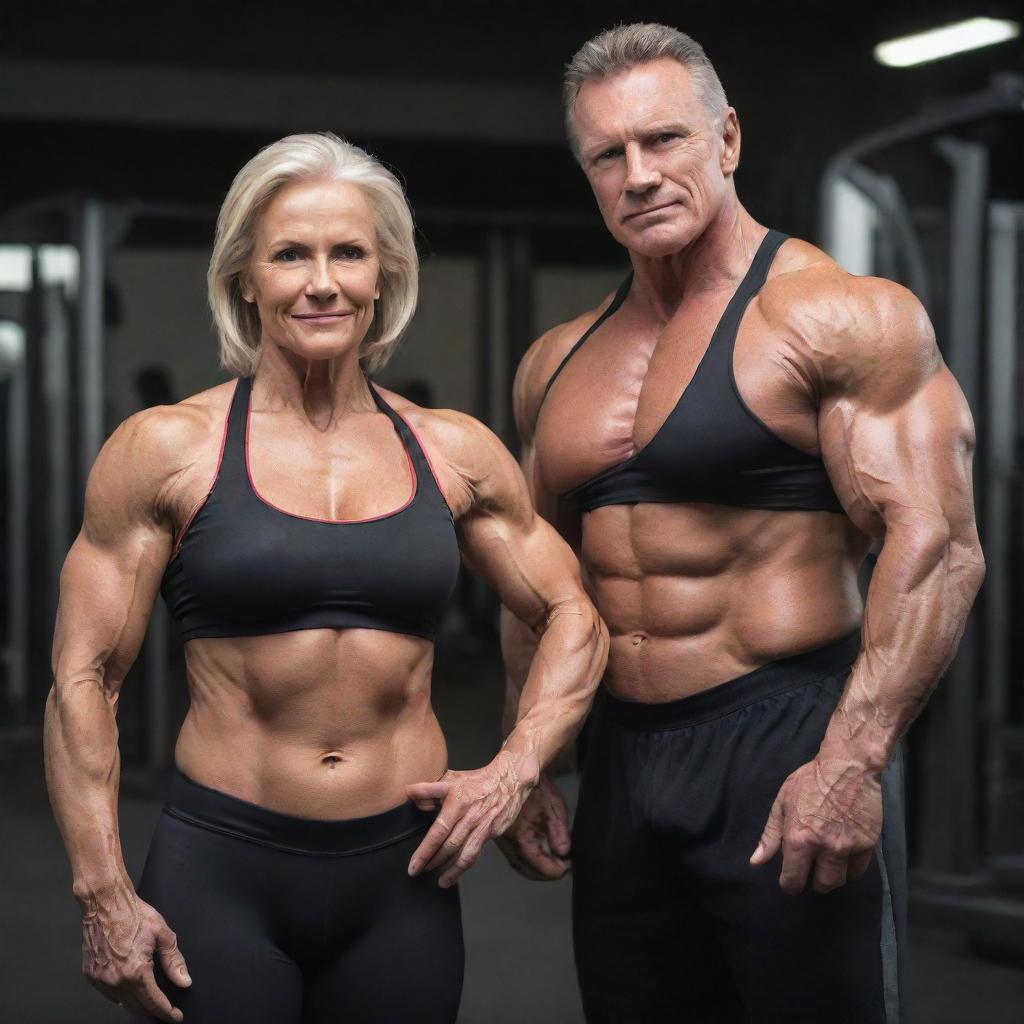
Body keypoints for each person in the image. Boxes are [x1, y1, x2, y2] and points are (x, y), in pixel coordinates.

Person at [44, 132, 608, 1024]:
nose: (321, 281)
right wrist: (103, 895)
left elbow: (574, 611)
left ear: (384, 274)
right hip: (223, 865)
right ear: (244, 277)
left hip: (403, 878)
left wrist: (515, 766)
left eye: (348, 252)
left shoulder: (452, 448)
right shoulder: (168, 449)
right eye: (290, 255)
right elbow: (84, 678)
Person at [498, 23, 985, 1024]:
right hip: (624, 764)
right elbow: (532, 577)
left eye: (663, 140)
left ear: (725, 140)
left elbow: (936, 548)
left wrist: (851, 760)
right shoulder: (555, 362)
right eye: (607, 154)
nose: (637, 174)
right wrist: (530, 752)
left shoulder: (836, 316)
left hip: (782, 740)